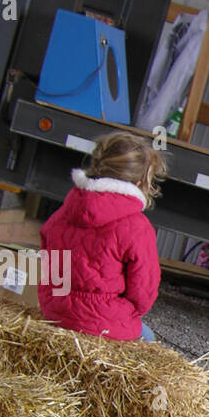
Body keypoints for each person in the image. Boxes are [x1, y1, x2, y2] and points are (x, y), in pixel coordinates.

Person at [38, 132, 164, 343]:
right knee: (149, 338)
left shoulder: (62, 213)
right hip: (103, 323)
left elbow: (46, 265)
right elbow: (143, 294)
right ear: (140, 181)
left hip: (55, 312)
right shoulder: (138, 227)